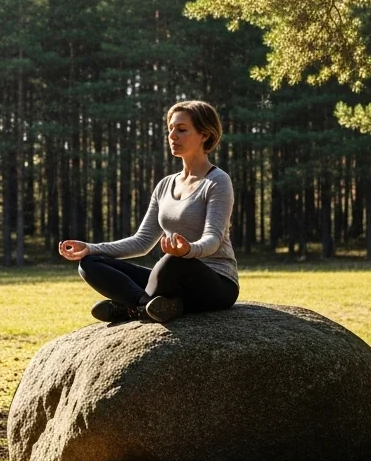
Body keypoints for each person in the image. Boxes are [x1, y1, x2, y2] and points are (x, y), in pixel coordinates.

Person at [58, 100, 239, 323]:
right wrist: (90, 248)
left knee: (171, 262)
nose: (172, 136)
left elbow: (214, 238)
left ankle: (128, 309)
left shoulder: (217, 182)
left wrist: (187, 250)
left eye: (181, 130)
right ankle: (146, 305)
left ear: (204, 135)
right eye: (170, 129)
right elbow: (142, 241)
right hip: (171, 282)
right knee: (91, 263)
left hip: (216, 284)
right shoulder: (165, 185)